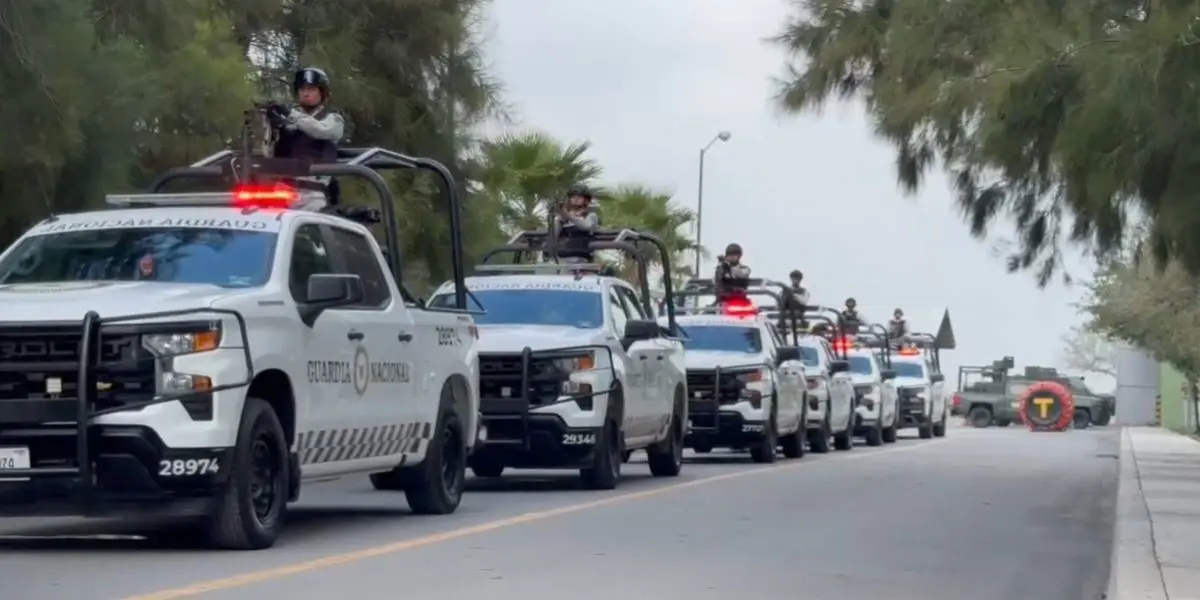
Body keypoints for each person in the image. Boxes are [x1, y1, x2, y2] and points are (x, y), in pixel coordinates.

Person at [268, 67, 346, 210]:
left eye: (311, 89)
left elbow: (320, 130)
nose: (305, 93)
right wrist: (273, 126)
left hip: (313, 194)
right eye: (302, 89)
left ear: (322, 93)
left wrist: (289, 113)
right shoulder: (289, 121)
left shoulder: (334, 119)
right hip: (283, 190)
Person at [552, 184, 599, 263]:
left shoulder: (591, 215)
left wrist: (568, 216)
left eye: (579, 196)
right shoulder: (563, 216)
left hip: (581, 259)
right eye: (573, 196)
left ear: (586, 200)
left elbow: (586, 226)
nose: (576, 199)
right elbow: (553, 236)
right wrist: (558, 220)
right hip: (560, 259)